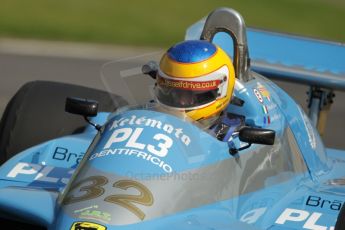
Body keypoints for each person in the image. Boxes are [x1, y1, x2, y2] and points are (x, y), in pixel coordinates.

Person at [153, 40, 244, 142]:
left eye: (192, 94)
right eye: (173, 92)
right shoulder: (152, 116)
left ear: (220, 91)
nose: (182, 101)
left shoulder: (231, 135)